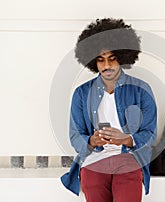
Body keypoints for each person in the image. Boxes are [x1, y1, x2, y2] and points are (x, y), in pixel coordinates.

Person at [61, 18, 157, 202]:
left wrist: (127, 139)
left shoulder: (142, 90)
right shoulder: (81, 93)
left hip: (129, 158)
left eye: (112, 59)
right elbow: (75, 135)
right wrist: (91, 140)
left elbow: (150, 133)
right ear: (93, 62)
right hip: (94, 161)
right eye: (101, 60)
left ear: (122, 57)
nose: (106, 66)